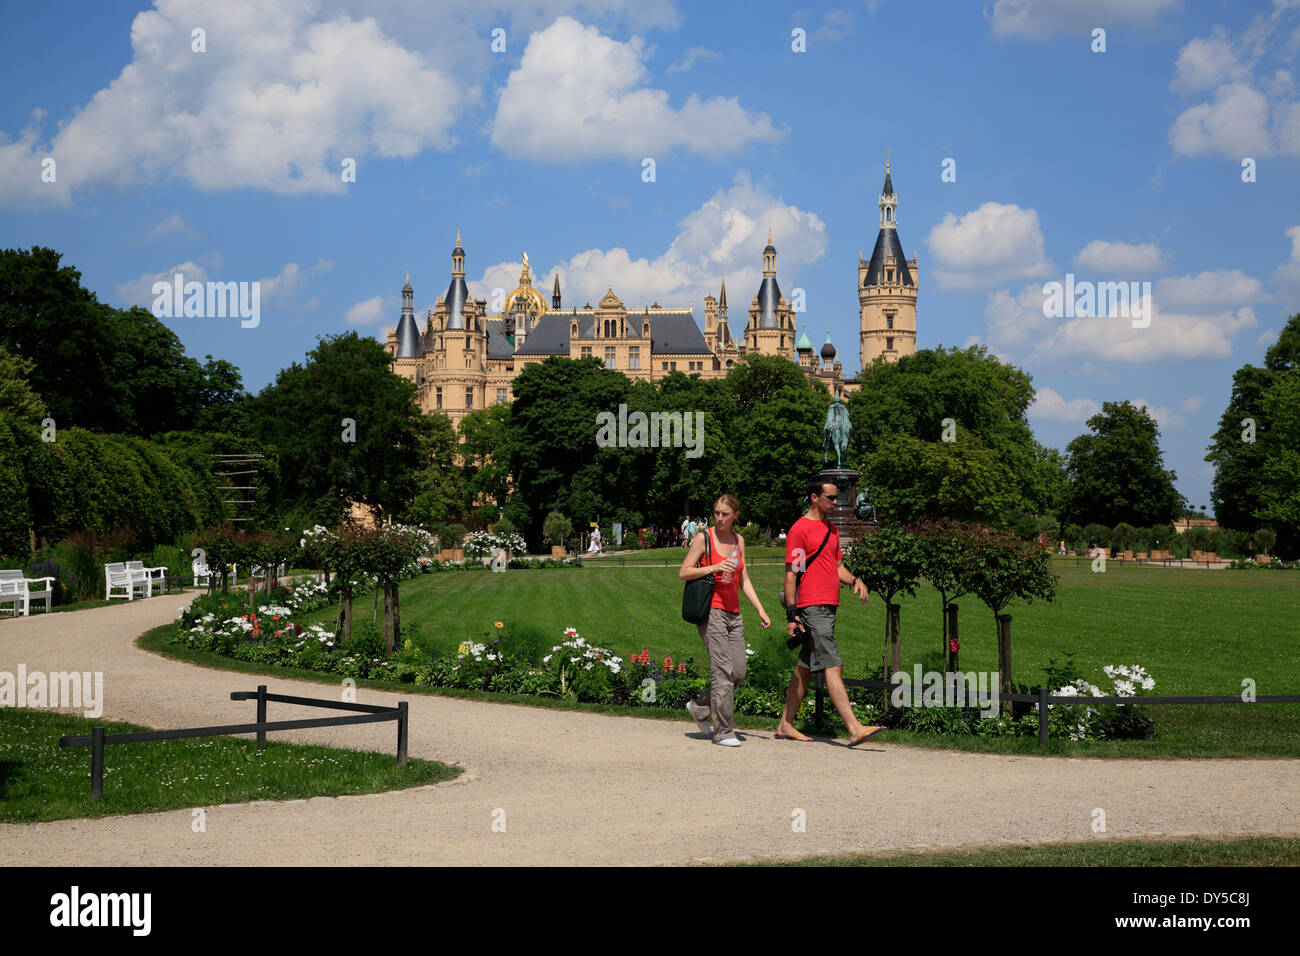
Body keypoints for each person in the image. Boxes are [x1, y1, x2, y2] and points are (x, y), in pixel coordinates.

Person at [775, 478, 885, 746]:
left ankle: (785, 725)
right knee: (832, 664)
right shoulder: (799, 530)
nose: (837, 502)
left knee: (804, 668)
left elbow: (836, 568)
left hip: (828, 605)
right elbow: (792, 574)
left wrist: (855, 579)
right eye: (831, 498)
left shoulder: (832, 530)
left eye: (837, 498)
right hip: (811, 606)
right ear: (814, 498)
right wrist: (792, 614)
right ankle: (854, 727)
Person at [678, 495, 771, 747]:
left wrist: (760, 610)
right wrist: (713, 567)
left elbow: (744, 580)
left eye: (724, 514)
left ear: (735, 515)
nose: (719, 518)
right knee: (722, 673)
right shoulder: (704, 538)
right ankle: (723, 732)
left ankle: (699, 707)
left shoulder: (739, 540)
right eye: (716, 513)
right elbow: (684, 572)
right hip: (711, 612)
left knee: (738, 672)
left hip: (734, 613)